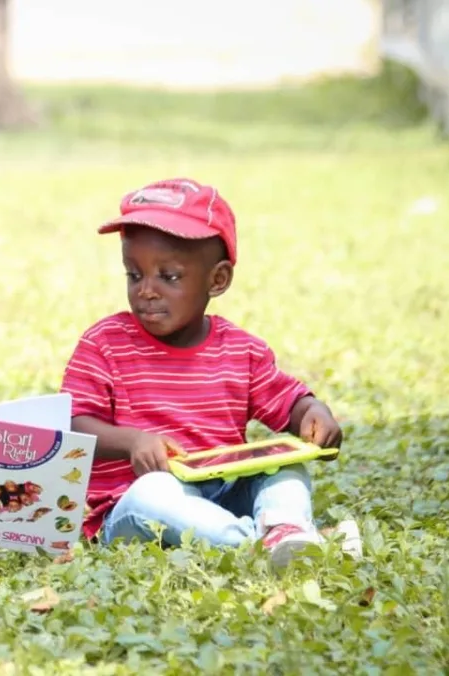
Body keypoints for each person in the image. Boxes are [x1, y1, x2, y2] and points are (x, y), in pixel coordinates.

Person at [60, 178, 360, 568]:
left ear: (217, 280)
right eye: (134, 275)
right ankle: (266, 547)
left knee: (284, 466)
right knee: (153, 493)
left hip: (223, 493)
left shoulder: (241, 350)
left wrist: (312, 413)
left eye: (168, 277)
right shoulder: (104, 343)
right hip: (134, 507)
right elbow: (72, 426)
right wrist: (133, 441)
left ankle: (285, 532)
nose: (146, 291)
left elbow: (287, 403)